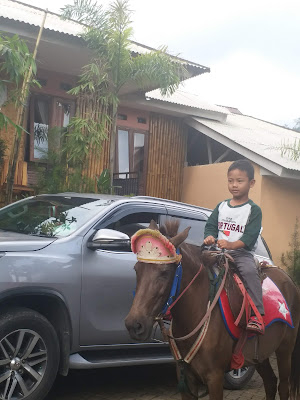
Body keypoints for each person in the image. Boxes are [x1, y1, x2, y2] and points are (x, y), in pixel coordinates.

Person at [203, 159, 265, 335]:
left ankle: (257, 315)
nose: (234, 185)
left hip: (240, 253)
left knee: (250, 272)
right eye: (231, 180)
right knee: (195, 264)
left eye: (240, 181)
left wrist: (231, 244)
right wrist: (209, 237)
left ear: (251, 183)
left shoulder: (254, 210)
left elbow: (250, 237)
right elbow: (211, 226)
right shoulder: (221, 206)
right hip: (218, 251)